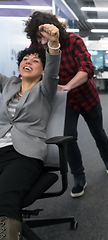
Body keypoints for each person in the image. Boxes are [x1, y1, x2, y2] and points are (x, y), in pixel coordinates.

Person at [24, 11, 108, 198]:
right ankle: (79, 177)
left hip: (86, 95)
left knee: (98, 132)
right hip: (64, 101)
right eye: (37, 38)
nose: (41, 42)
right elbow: (30, 68)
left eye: (43, 37)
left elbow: (87, 68)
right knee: (68, 138)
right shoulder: (36, 45)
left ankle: (107, 160)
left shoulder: (73, 41)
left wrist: (68, 86)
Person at [0, 24, 61, 240]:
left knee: (5, 200)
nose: (29, 61)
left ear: (43, 71)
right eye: (25, 59)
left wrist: (53, 43)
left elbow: (53, 65)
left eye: (35, 61)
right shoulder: (8, 84)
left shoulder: (46, 88)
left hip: (24, 154)